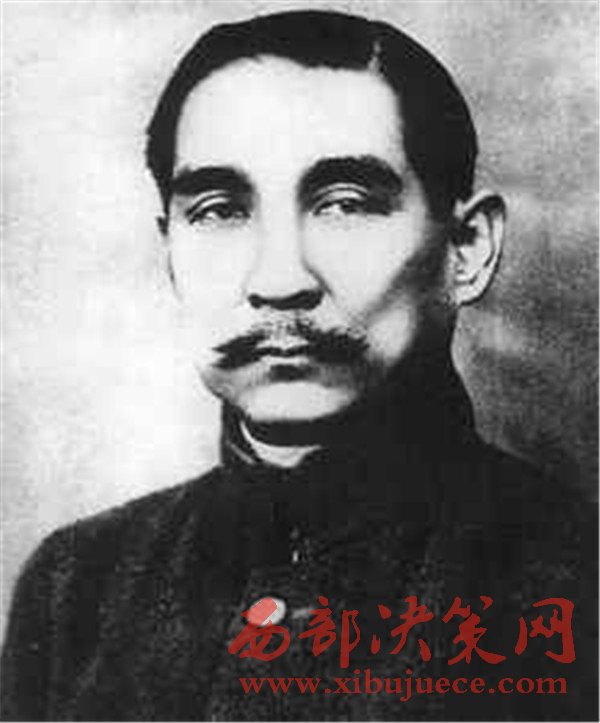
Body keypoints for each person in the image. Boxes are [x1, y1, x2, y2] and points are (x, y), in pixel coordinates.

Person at [1, 9, 596, 721]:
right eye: (219, 210)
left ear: (466, 249)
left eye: (344, 204)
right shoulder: (76, 587)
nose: (279, 279)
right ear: (170, 252)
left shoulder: (577, 576)